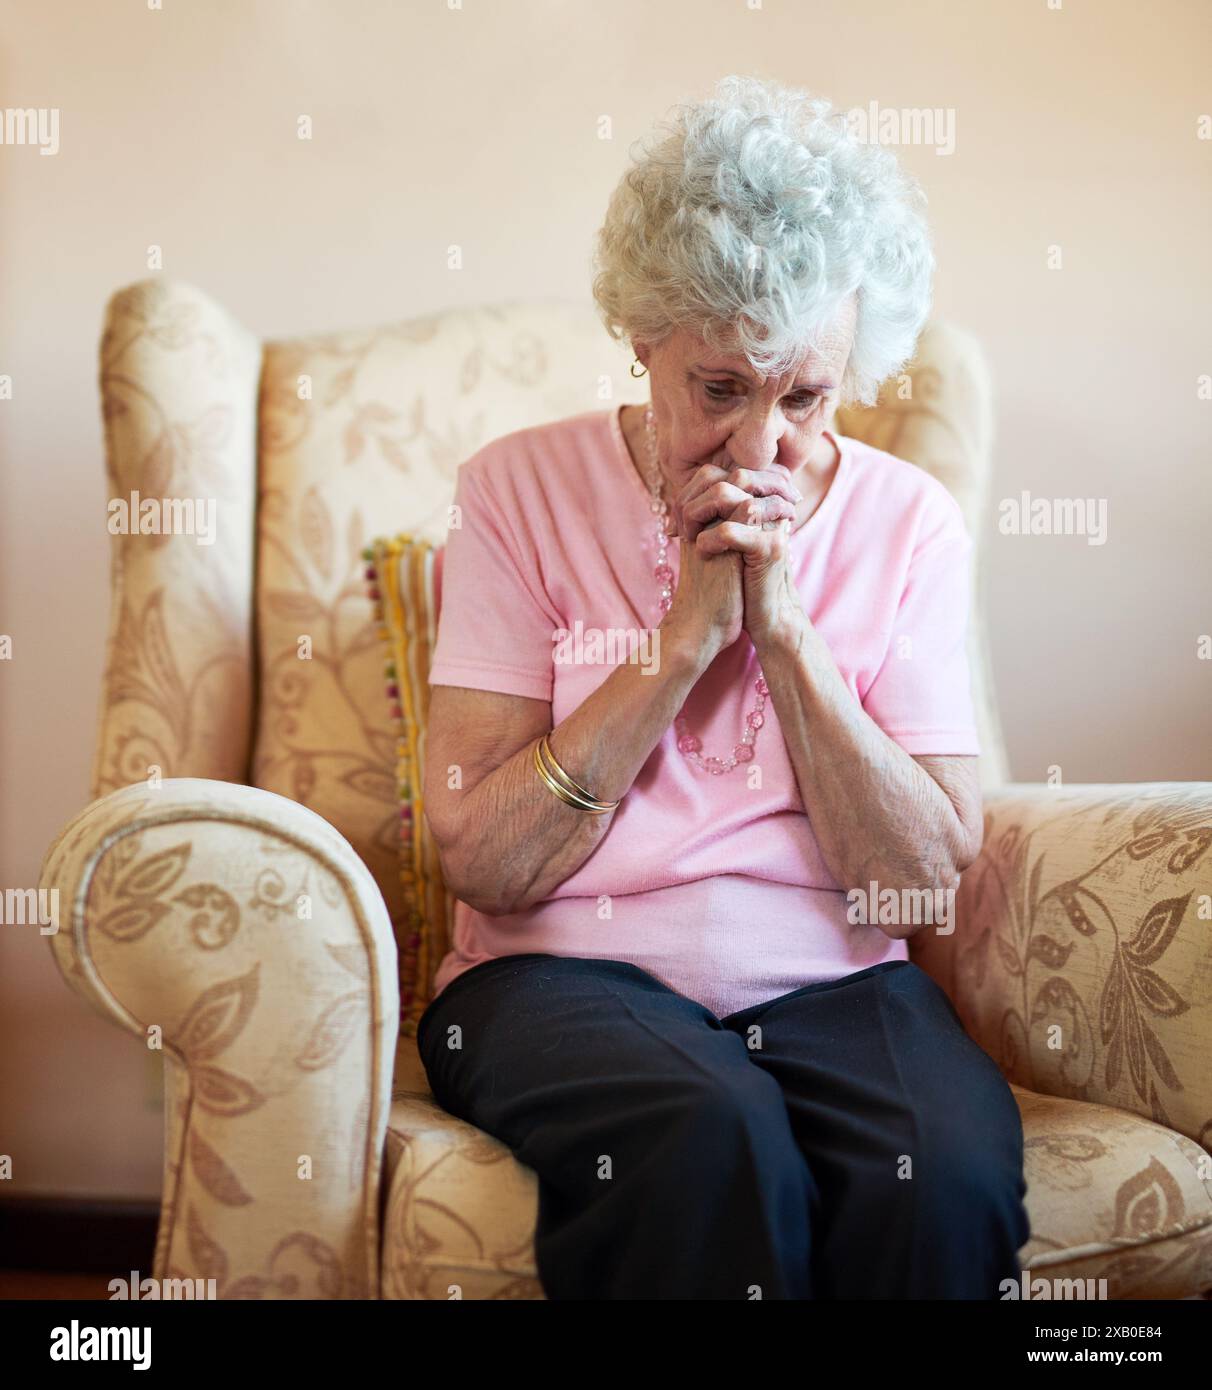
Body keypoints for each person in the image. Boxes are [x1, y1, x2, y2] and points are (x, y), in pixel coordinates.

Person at [418, 73, 1030, 1299]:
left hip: (835, 982)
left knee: (946, 1171)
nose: (761, 449)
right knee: (711, 1134)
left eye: (803, 396)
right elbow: (479, 857)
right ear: (645, 338)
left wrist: (787, 635)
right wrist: (685, 639)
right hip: (552, 982)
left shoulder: (909, 525)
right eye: (719, 390)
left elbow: (916, 877)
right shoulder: (513, 497)